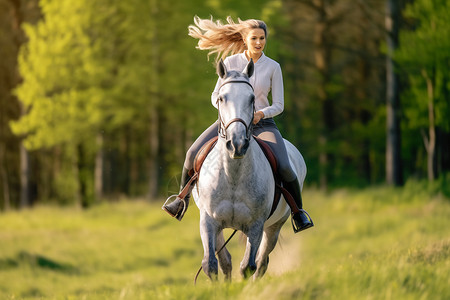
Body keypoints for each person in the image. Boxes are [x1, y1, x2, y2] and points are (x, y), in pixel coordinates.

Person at [162, 16, 313, 233]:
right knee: (192, 153)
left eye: (262, 38)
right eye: (254, 38)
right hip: (230, 123)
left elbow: (279, 104)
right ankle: (181, 201)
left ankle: (298, 213)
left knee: (285, 166)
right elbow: (215, 95)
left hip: (262, 124)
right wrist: (226, 111)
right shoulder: (231, 63)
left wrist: (261, 113)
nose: (259, 43)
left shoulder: (273, 67)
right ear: (245, 39)